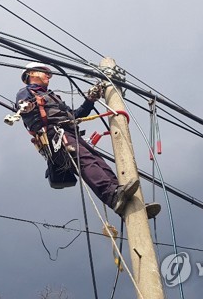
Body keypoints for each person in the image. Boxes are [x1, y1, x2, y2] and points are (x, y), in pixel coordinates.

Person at [15, 62, 138, 216]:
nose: (48, 76)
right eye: (45, 72)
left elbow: (76, 114)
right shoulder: (26, 92)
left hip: (69, 132)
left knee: (98, 160)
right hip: (54, 135)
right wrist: (26, 106)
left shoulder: (53, 96)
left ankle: (122, 196)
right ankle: (112, 195)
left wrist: (90, 100)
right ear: (32, 73)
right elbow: (23, 110)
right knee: (86, 162)